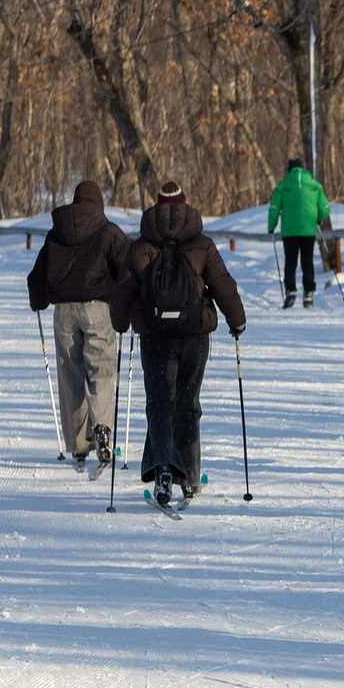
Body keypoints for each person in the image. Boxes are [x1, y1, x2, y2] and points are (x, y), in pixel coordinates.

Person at [110, 182, 247, 512]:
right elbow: (223, 286)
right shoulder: (203, 245)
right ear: (186, 205)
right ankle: (190, 476)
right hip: (194, 336)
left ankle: (163, 471)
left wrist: (120, 323)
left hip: (155, 337)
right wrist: (237, 321)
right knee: (188, 402)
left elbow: (123, 292)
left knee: (160, 403)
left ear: (157, 207)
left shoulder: (141, 247)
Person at [28, 180, 131, 478]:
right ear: (98, 204)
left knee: (70, 374)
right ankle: (102, 429)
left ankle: (78, 442)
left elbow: (37, 276)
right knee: (101, 370)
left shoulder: (55, 233)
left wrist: (38, 302)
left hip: (64, 313)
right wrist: (129, 305)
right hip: (99, 308)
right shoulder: (109, 232)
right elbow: (127, 270)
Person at [266, 157, 331, 308]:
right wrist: (319, 219)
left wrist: (271, 227)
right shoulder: (314, 185)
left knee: (291, 261)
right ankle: (308, 292)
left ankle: (291, 290)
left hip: (289, 231)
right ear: (303, 168)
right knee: (307, 260)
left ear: (289, 170)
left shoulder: (283, 185)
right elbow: (325, 208)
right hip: (308, 230)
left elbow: (274, 208)